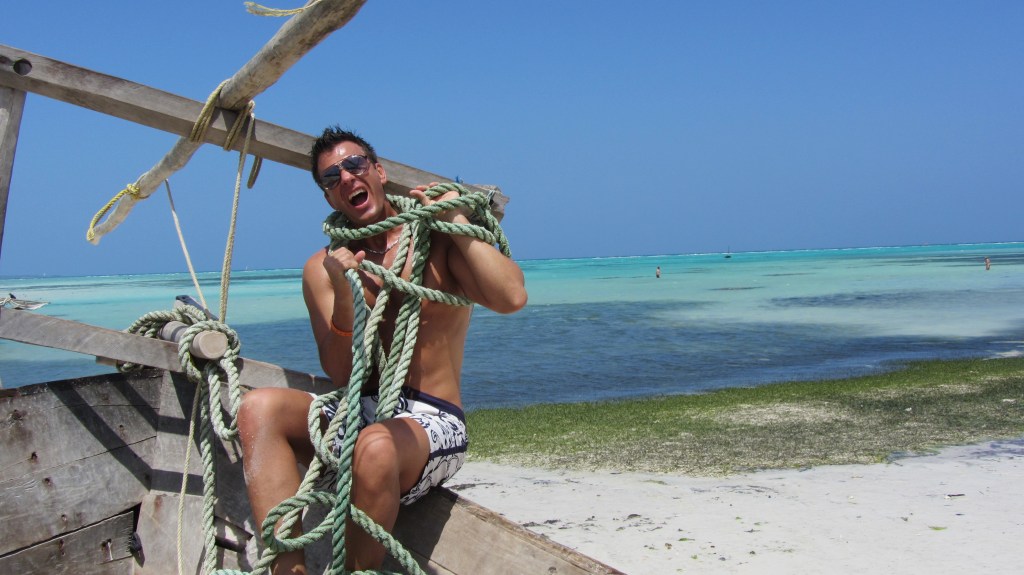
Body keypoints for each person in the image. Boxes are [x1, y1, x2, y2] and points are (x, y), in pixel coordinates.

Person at [237, 127, 527, 574]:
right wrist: (344, 291)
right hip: (362, 410)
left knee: (375, 447)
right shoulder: (324, 267)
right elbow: (341, 373)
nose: (346, 178)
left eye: (354, 165)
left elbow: (511, 297)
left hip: (433, 421)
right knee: (258, 407)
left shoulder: (437, 241)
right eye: (331, 178)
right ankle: (288, 569)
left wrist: (458, 220)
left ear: (378, 172)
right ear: (328, 197)